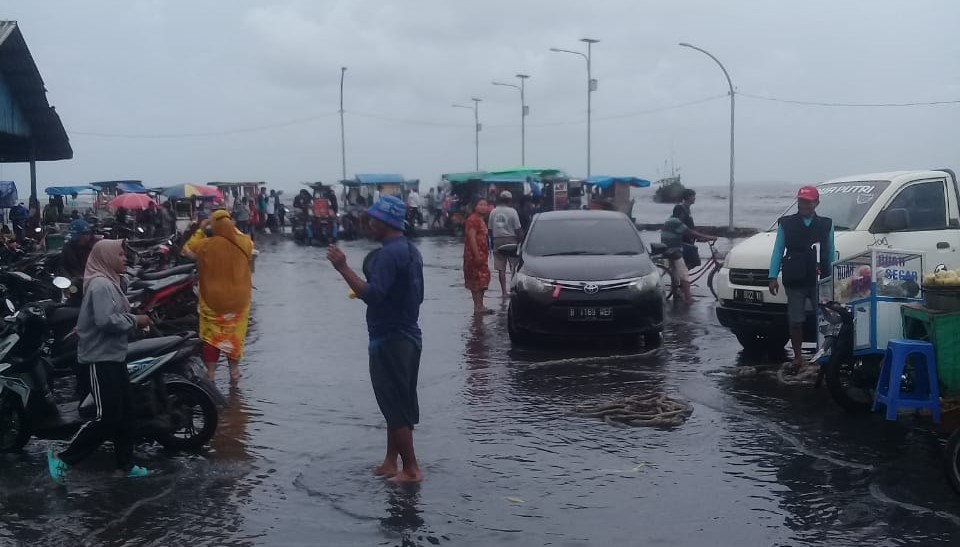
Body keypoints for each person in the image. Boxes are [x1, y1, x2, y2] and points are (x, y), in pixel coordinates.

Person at [325, 195, 425, 484]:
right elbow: (408, 294)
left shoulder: (388, 255)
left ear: (385, 222)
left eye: (372, 220)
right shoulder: (410, 250)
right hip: (409, 335)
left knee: (393, 403)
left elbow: (374, 295)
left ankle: (411, 469)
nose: (369, 224)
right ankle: (391, 461)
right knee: (398, 402)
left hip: (390, 339)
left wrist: (343, 267)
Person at [47, 239, 152, 484]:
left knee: (126, 412)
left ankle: (126, 465)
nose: (125, 258)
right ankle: (63, 457)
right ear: (105, 258)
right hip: (100, 358)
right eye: (119, 254)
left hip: (114, 355)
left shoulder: (110, 282)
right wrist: (136, 321)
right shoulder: (101, 285)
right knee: (108, 417)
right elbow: (106, 321)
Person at [182, 210, 254, 383]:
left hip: (211, 303)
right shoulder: (245, 243)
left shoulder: (206, 245)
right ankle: (234, 374)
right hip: (239, 303)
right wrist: (232, 228)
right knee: (234, 338)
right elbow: (248, 244)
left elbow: (186, 251)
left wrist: (201, 229)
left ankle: (211, 375)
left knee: (211, 339)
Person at [768, 185, 835, 370]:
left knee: (826, 318)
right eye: (801, 201)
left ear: (816, 203)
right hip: (795, 278)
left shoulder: (826, 224)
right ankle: (798, 357)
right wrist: (772, 276)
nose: (803, 205)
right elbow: (778, 250)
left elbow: (830, 252)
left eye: (807, 201)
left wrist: (831, 278)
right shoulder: (786, 223)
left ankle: (825, 353)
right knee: (796, 320)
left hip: (820, 279)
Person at [661, 211, 717, 303]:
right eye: (684, 215)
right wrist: (709, 237)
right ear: (681, 214)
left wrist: (701, 238)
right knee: (684, 274)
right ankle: (688, 299)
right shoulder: (676, 221)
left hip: (667, 249)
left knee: (675, 275)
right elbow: (690, 232)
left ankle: (676, 295)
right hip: (673, 251)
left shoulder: (669, 220)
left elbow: (687, 234)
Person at [488, 191, 522, 298]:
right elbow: (518, 229)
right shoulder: (513, 212)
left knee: (501, 268)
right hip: (511, 240)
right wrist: (522, 241)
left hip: (497, 240)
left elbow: (489, 230)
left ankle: (503, 292)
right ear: (509, 200)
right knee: (514, 266)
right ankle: (512, 289)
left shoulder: (493, 212)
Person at [463, 199, 491, 314]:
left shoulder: (481, 219)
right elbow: (472, 238)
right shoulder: (473, 219)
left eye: (485, 205)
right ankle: (477, 307)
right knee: (476, 281)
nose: (483, 207)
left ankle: (480, 305)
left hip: (482, 256)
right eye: (481, 204)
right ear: (475, 207)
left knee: (482, 281)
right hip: (474, 257)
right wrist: (476, 255)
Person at [61, 219, 97, 294]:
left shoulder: (97, 247)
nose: (75, 241)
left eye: (77, 238)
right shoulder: (68, 247)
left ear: (87, 235)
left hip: (94, 284)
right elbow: (63, 266)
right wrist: (69, 280)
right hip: (74, 285)